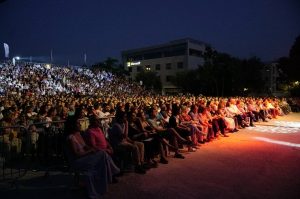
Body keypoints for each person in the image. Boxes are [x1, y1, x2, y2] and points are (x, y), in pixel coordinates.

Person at [64, 116, 119, 199]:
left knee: (102, 156)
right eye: (78, 123)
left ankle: (107, 178)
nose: (80, 125)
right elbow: (77, 154)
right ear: (72, 125)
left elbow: (85, 146)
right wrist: (90, 151)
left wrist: (91, 149)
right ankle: (113, 171)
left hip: (85, 157)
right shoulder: (70, 138)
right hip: (77, 161)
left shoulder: (78, 134)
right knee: (103, 154)